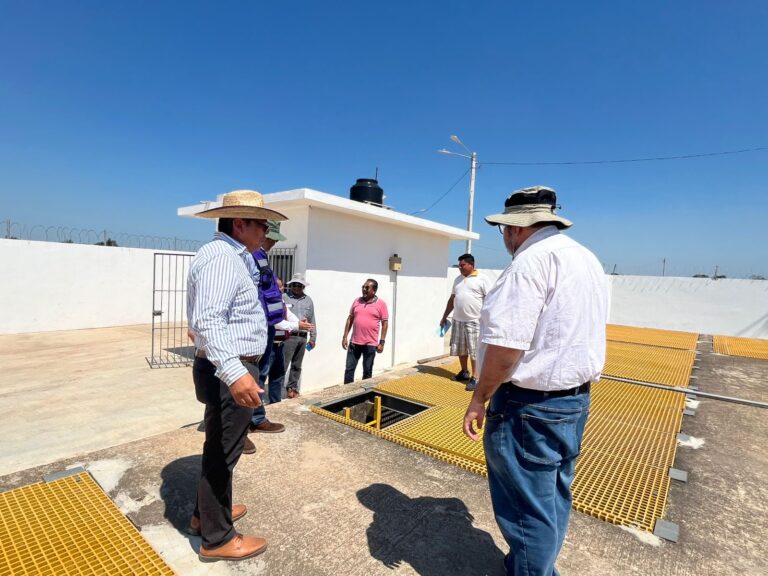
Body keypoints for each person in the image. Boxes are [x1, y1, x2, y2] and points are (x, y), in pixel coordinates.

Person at [462, 186, 608, 576]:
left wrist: (479, 399)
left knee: (526, 510)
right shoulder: (586, 258)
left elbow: (506, 349)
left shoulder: (528, 264)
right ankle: (533, 567)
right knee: (554, 496)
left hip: (529, 405)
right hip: (573, 401)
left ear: (515, 229)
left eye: (504, 230)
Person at [186, 189, 287, 562]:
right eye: (261, 224)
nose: (266, 231)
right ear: (240, 223)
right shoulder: (222, 258)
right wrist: (235, 373)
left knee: (218, 447)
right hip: (229, 365)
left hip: (226, 363)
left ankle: (205, 516)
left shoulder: (231, 256)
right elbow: (209, 320)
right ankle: (218, 537)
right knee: (223, 454)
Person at [248, 221, 290, 436]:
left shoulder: (261, 256)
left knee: (261, 372)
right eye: (272, 237)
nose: (274, 242)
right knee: (252, 372)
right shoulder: (249, 256)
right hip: (257, 324)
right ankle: (245, 423)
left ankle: (256, 417)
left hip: (267, 324)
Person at [440, 254, 492, 391]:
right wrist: (444, 316)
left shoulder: (483, 279)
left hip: (475, 321)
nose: (460, 268)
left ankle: (476, 377)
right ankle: (464, 372)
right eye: (459, 265)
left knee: (475, 351)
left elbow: (490, 300)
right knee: (460, 349)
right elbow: (452, 299)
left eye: (462, 265)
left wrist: (488, 319)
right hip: (458, 320)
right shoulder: (457, 279)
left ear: (471, 264)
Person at [342, 279, 388, 384]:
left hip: (370, 344)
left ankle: (365, 396)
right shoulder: (357, 301)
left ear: (374, 290)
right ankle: (346, 396)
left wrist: (382, 342)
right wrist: (345, 337)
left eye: (367, 287)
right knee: (349, 370)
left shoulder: (381, 304)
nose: (364, 289)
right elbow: (350, 318)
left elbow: (385, 323)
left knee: (367, 372)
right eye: (363, 287)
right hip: (354, 343)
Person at [282, 272, 317, 398]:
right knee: (283, 364)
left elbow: (312, 319)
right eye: (294, 285)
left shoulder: (308, 301)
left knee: (297, 365)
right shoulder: (284, 297)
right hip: (288, 336)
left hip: (302, 337)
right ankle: (277, 389)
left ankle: (292, 388)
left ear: (303, 287)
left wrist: (313, 338)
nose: (297, 287)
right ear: (291, 285)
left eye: (300, 285)